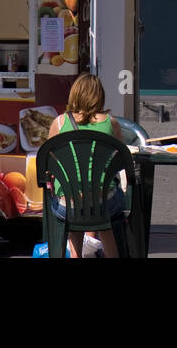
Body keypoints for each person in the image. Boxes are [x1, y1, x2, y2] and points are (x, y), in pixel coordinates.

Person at [45, 73, 125, 258]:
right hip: (103, 201)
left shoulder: (59, 123)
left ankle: (76, 255)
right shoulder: (111, 123)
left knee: (74, 205)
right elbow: (121, 158)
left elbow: (49, 162)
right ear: (100, 96)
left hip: (68, 203)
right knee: (104, 214)